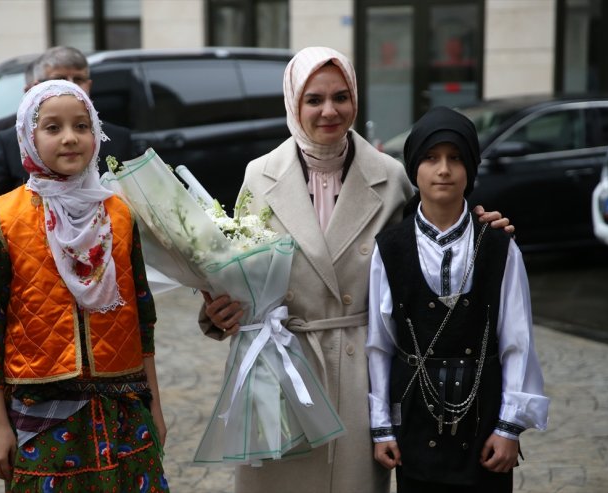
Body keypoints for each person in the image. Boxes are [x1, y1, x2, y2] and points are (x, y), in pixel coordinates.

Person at [200, 47, 512, 493]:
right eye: (314, 99)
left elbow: (430, 242)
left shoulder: (390, 176)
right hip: (281, 367)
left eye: (341, 97)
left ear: (356, 101)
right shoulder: (259, 175)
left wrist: (479, 230)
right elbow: (235, 267)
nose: (329, 111)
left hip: (359, 371)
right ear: (293, 103)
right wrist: (216, 308)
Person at [0, 79, 169, 491]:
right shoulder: (5, 219)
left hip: (124, 412)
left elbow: (142, 317)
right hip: (43, 415)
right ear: (28, 136)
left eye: (82, 126)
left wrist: (156, 407)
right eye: (52, 127)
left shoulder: (118, 214)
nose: (70, 138)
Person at [366, 106, 549, 492]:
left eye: (455, 159)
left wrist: (508, 426)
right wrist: (382, 426)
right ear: (414, 167)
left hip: (483, 424)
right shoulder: (390, 248)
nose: (444, 170)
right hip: (414, 418)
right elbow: (380, 344)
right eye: (431, 158)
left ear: (471, 170)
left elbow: (517, 342)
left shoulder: (499, 246)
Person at [0, 46, 134, 195]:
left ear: (89, 85)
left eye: (78, 79)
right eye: (59, 79)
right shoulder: (8, 142)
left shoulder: (118, 138)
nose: (71, 85)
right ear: (36, 87)